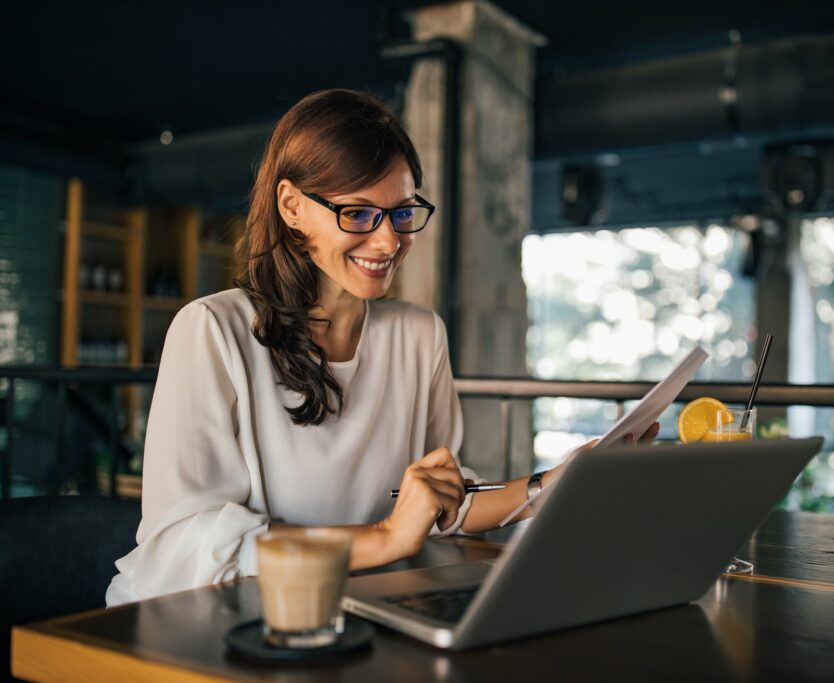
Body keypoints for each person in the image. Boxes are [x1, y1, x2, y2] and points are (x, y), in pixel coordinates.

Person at [106, 89, 657, 606]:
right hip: (206, 621)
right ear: (292, 207)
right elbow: (186, 546)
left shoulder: (419, 336)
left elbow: (443, 503)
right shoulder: (211, 330)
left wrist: (562, 479)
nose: (389, 240)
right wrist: (387, 538)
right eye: (358, 213)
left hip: (347, 611)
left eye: (401, 212)